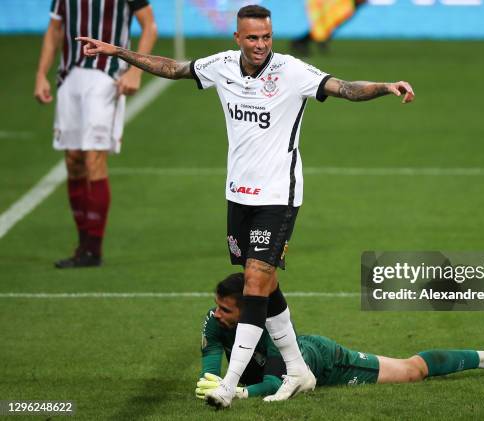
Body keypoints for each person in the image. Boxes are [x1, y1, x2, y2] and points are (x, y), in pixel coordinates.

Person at [76, 4, 415, 409]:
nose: (260, 45)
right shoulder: (221, 66)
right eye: (252, 38)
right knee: (264, 284)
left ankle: (229, 383)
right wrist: (118, 52)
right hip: (238, 195)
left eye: (266, 37)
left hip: (278, 195)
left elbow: (343, 88)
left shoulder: (291, 71)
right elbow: (173, 67)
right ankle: (298, 369)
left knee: (255, 282)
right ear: (237, 38)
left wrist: (385, 86)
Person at [194, 273, 484, 401]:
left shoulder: (272, 332)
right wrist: (212, 384)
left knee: (411, 372)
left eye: (227, 310)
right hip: (291, 367)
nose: (218, 315)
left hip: (323, 361)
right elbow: (208, 370)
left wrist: (236, 391)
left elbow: (272, 383)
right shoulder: (216, 322)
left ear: (249, 310)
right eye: (218, 308)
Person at [34, 0, 158, 268]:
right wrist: (41, 74)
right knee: (73, 160)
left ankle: (93, 249)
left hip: (107, 76)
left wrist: (136, 71)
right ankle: (82, 243)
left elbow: (149, 26)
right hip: (69, 77)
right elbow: (55, 29)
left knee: (94, 159)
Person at [291, 0, 367, 57]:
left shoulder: (349, 7)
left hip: (338, 8)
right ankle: (301, 42)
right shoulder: (345, 6)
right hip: (326, 6)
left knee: (325, 28)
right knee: (322, 28)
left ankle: (306, 42)